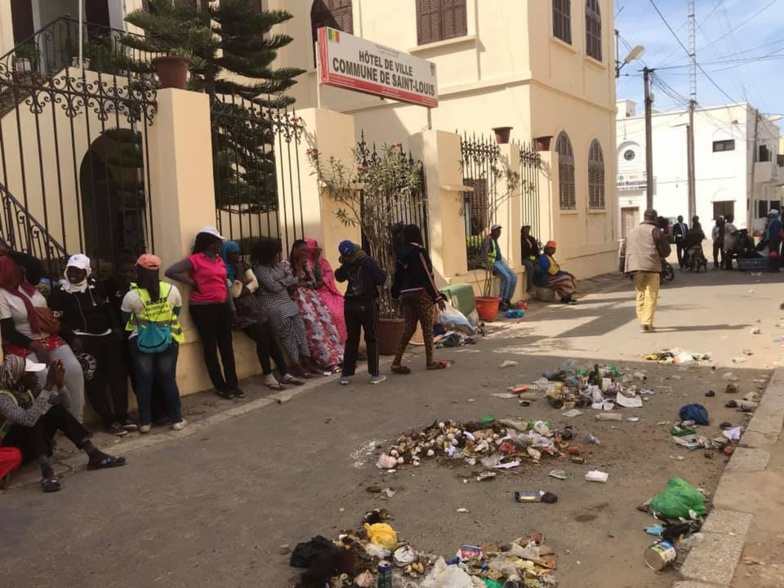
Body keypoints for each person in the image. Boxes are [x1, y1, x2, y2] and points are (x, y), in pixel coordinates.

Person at [0, 356, 125, 493]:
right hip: (13, 446)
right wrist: (48, 386)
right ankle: (46, 470)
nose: (36, 376)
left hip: (33, 442)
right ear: (19, 380)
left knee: (56, 410)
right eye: (31, 374)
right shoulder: (3, 398)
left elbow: (66, 404)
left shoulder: (30, 389)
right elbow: (28, 419)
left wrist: (59, 384)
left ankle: (93, 454)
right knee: (34, 416)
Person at [48, 254, 134, 437]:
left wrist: (115, 327)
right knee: (94, 379)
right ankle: (108, 420)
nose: (74, 274)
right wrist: (71, 337)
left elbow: (108, 308)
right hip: (82, 339)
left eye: (78, 271)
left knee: (117, 376)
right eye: (71, 270)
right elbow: (56, 320)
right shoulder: (59, 292)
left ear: (86, 271)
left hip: (107, 336)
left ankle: (123, 415)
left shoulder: (97, 286)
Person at [0, 255, 85, 423]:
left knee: (73, 370)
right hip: (23, 342)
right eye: (17, 267)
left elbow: (34, 265)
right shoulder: (2, 295)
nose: (22, 269)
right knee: (42, 375)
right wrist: (35, 346)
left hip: (48, 337)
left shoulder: (30, 288)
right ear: (8, 271)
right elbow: (9, 331)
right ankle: (48, 425)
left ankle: (77, 421)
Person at [166, 227, 241, 400]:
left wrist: (232, 308)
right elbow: (170, 271)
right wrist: (191, 281)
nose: (220, 245)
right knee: (210, 346)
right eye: (218, 242)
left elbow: (225, 285)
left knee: (226, 346)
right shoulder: (195, 260)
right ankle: (220, 386)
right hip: (202, 307)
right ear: (209, 243)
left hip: (222, 306)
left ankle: (233, 384)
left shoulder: (219, 260)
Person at [221, 241, 303, 390]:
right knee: (263, 338)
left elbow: (254, 285)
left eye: (239, 253)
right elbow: (234, 293)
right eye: (234, 253)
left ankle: (284, 372)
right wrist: (243, 284)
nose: (237, 256)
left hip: (254, 308)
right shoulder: (224, 270)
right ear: (226, 254)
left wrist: (243, 289)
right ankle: (267, 375)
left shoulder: (244, 266)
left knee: (271, 336)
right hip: (240, 314)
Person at [122, 254, 187, 433]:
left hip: (139, 341)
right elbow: (177, 311)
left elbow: (125, 319)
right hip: (167, 339)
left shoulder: (131, 296)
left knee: (144, 382)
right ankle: (176, 419)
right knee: (168, 380)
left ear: (138, 271)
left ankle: (145, 423)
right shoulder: (171, 290)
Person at [252, 238, 319, 378]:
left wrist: (285, 281)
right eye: (275, 253)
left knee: (300, 327)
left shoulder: (276, 266)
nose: (278, 256)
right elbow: (275, 286)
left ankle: (306, 359)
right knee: (287, 332)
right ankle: (296, 364)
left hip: (285, 300)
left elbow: (290, 278)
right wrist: (287, 281)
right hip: (272, 304)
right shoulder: (260, 270)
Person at [390, 224, 447, 373]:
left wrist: (395, 293)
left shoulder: (401, 252)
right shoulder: (419, 251)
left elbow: (397, 276)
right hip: (421, 293)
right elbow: (426, 275)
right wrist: (437, 297)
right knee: (427, 327)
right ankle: (430, 361)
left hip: (406, 294)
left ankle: (396, 362)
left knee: (409, 328)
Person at [334, 241, 387, 386]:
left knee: (352, 339)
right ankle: (375, 374)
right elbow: (381, 279)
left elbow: (338, 276)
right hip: (367, 303)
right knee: (371, 338)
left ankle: (345, 375)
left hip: (350, 305)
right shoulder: (367, 261)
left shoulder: (346, 264)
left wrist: (344, 264)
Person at [287, 240, 344, 373]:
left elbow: (315, 282)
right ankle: (328, 361)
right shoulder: (286, 264)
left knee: (328, 324)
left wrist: (313, 265)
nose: (305, 254)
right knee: (314, 328)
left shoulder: (307, 264)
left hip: (312, 297)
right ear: (294, 249)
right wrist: (299, 270)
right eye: (302, 251)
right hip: (299, 298)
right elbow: (290, 284)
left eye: (306, 251)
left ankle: (340, 357)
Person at [619, 209, 672, 333]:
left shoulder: (631, 231)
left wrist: (622, 267)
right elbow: (666, 251)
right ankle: (647, 323)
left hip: (634, 267)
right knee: (651, 295)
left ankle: (642, 319)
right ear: (654, 218)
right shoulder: (655, 231)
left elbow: (623, 251)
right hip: (651, 267)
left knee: (640, 294)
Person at [304, 238, 347, 343]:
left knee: (343, 308)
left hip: (328, 290)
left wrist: (323, 281)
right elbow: (313, 280)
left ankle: (347, 344)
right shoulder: (304, 264)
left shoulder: (322, 261)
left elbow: (329, 274)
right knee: (332, 313)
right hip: (315, 293)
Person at [482, 224, 517, 309]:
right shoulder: (488, 240)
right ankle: (501, 301)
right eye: (497, 231)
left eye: (500, 231)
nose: (499, 233)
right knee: (507, 278)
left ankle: (507, 300)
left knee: (514, 277)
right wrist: (490, 267)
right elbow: (484, 255)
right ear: (493, 232)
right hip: (494, 263)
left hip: (500, 261)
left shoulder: (495, 240)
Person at [520, 225, 540, 294]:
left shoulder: (531, 238)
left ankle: (536, 283)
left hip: (532, 258)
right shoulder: (520, 239)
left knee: (538, 268)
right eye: (525, 228)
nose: (527, 230)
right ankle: (529, 287)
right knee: (530, 266)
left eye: (528, 228)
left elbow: (535, 249)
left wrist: (536, 257)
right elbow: (521, 251)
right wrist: (527, 257)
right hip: (523, 258)